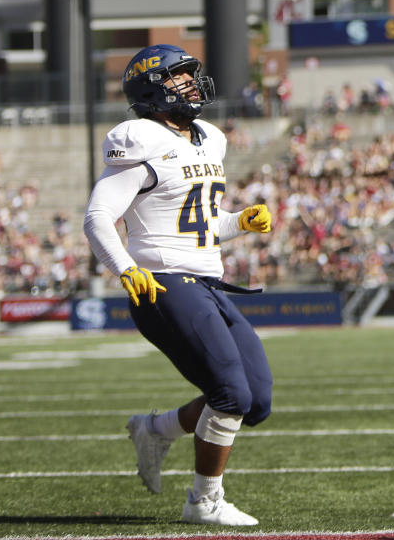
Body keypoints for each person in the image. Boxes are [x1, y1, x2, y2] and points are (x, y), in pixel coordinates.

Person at [83, 44, 274, 526]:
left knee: (255, 400)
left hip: (208, 279)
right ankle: (203, 501)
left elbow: (202, 223)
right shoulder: (140, 137)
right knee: (230, 392)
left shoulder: (208, 137)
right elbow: (99, 216)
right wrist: (126, 269)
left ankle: (157, 428)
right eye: (177, 78)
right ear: (151, 88)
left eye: (190, 76)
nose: (191, 84)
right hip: (164, 282)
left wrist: (239, 222)